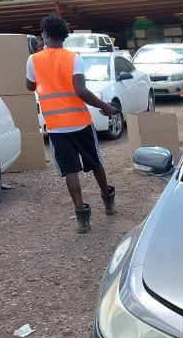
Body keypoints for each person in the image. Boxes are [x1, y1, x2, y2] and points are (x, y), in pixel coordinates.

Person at [26, 13, 118, 233]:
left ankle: (82, 218)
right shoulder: (74, 58)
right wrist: (104, 107)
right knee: (95, 163)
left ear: (45, 35)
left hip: (56, 127)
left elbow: (30, 86)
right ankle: (108, 201)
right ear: (64, 36)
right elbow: (81, 91)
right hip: (80, 123)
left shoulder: (33, 60)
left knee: (70, 171)